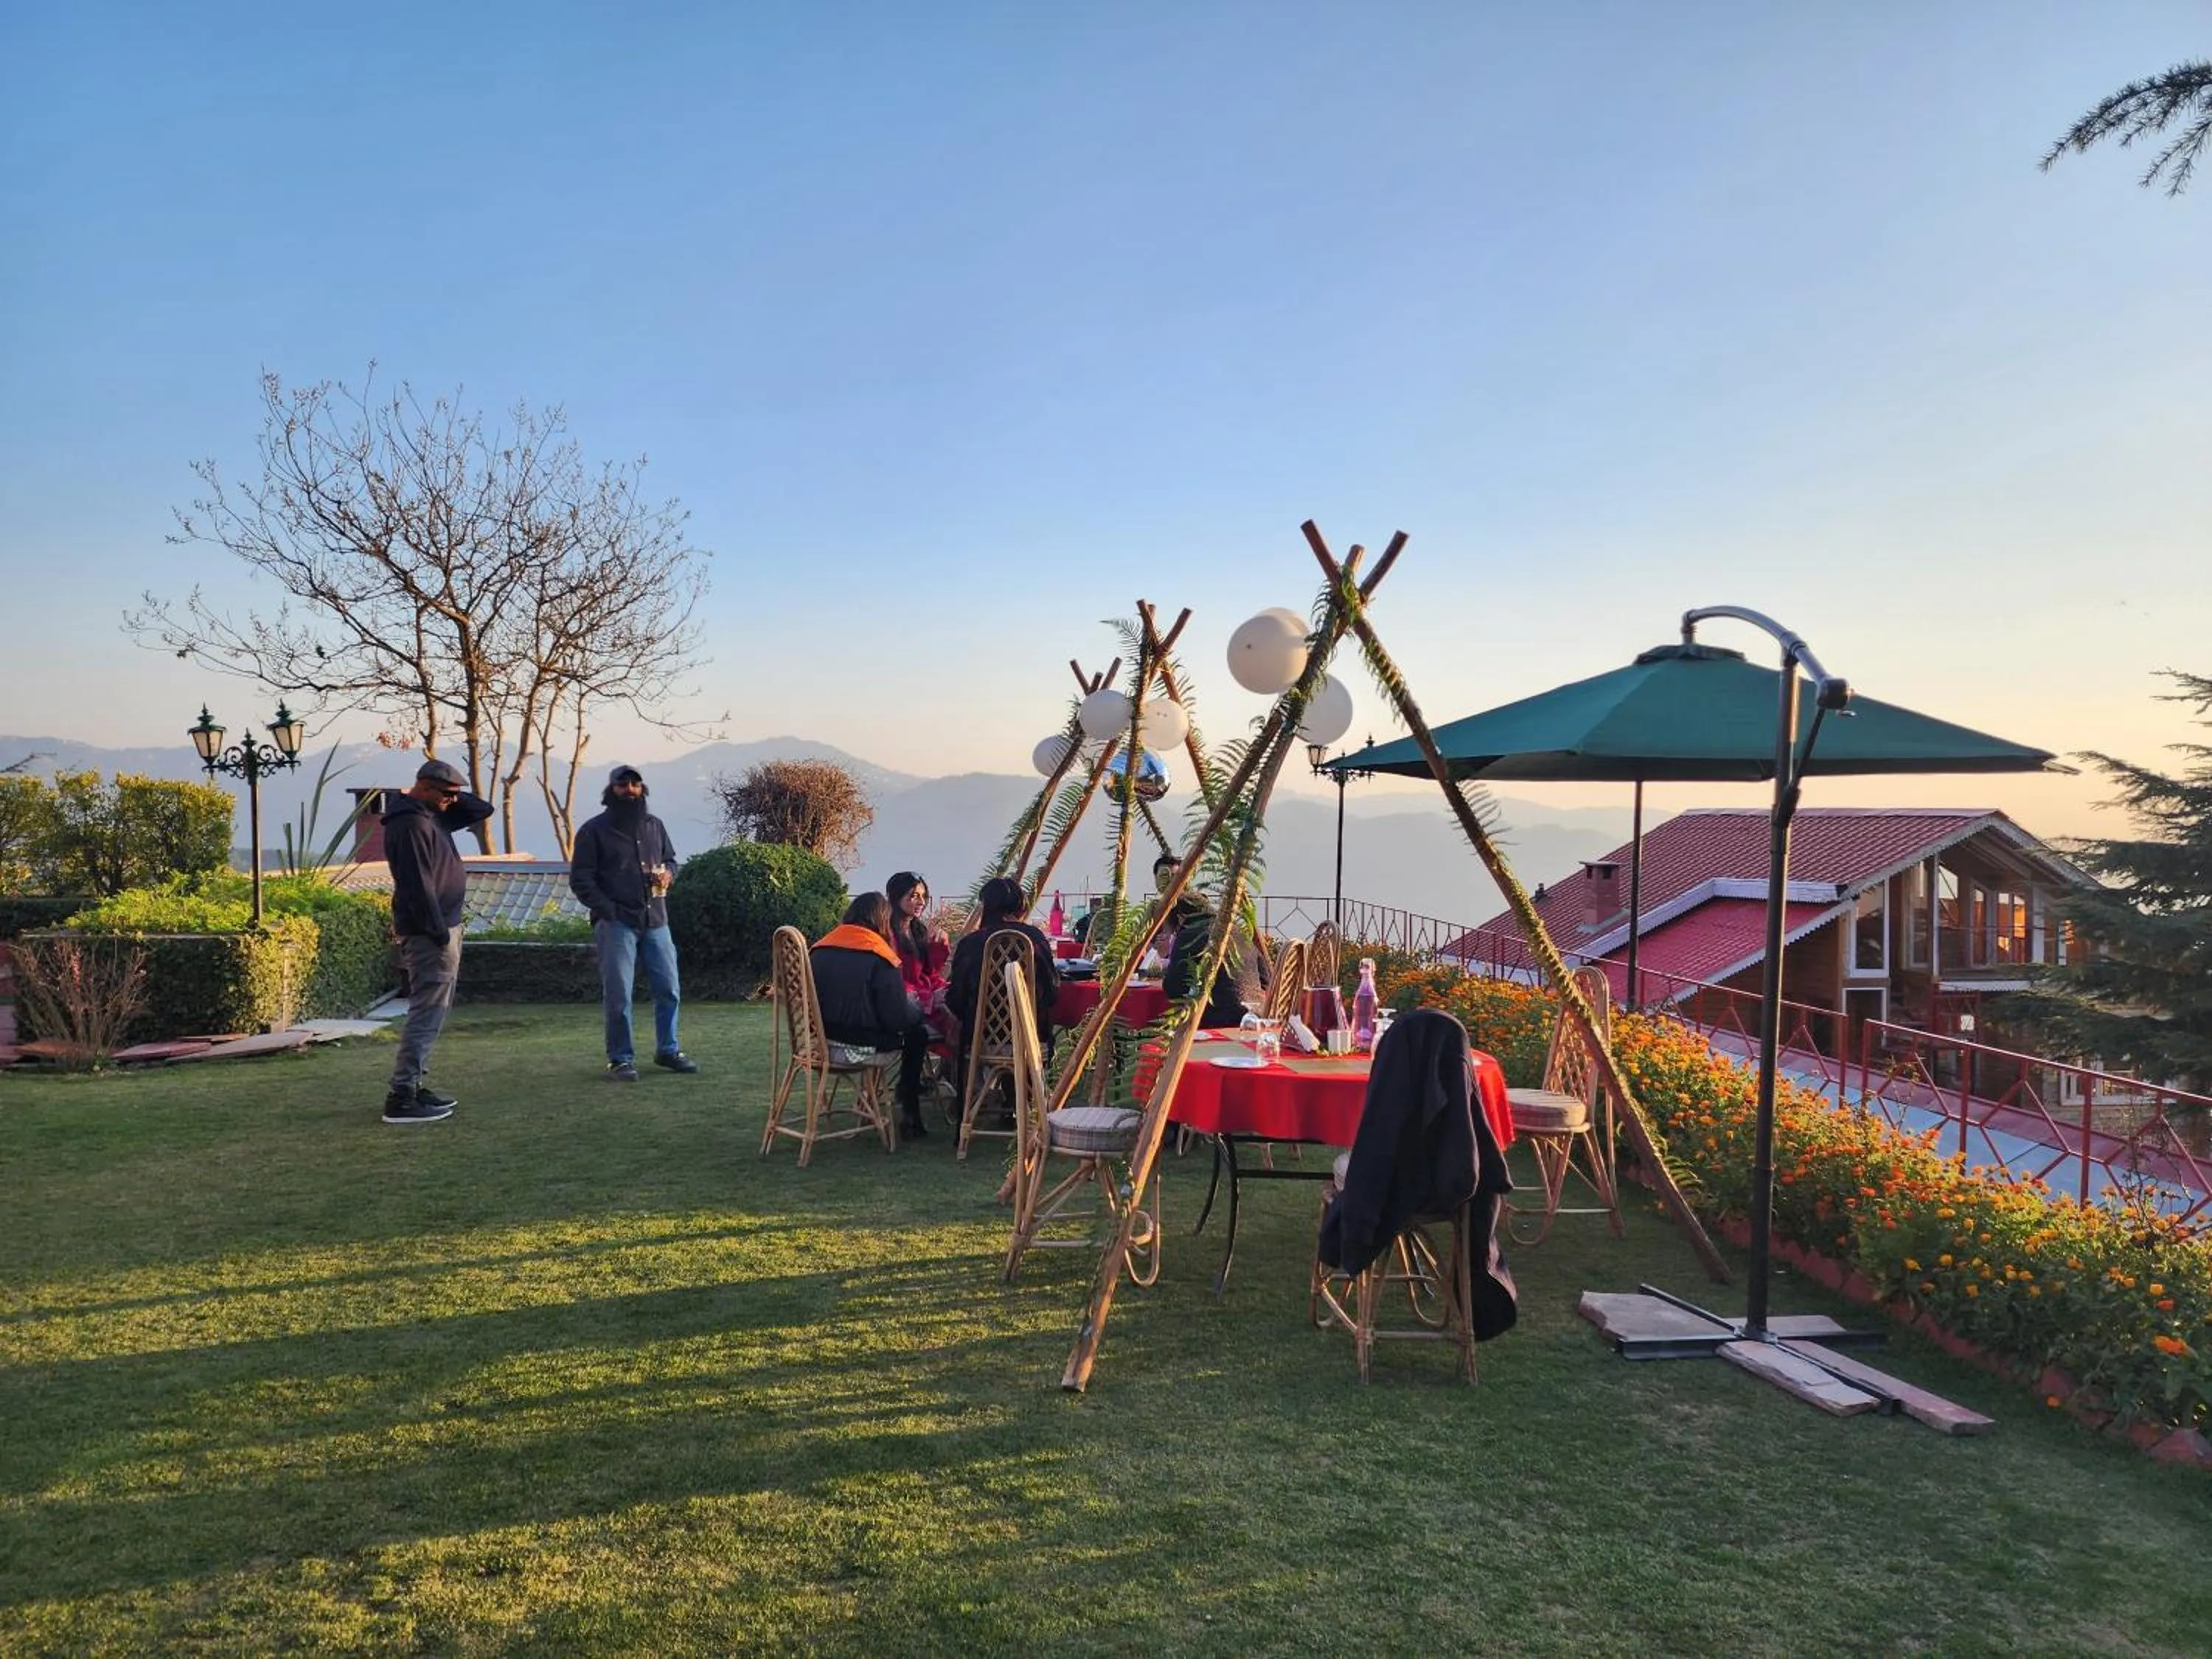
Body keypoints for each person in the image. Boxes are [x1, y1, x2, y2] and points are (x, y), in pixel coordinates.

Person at [380, 757, 493, 1125]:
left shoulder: (432, 814)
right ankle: (402, 1095)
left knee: (433, 1011)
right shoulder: (411, 823)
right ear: (424, 786)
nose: (451, 800)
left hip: (443, 926)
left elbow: (483, 809)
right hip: (431, 932)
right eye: (444, 793)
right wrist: (439, 932)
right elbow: (416, 884)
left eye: (452, 795)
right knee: (426, 1012)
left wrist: (451, 794)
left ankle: (413, 1084)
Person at [568, 764, 695, 1082]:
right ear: (611, 790)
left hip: (656, 919)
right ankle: (621, 1059)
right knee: (619, 994)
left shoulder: (655, 826)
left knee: (669, 989)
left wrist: (668, 872)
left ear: (643, 789)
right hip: (616, 924)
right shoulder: (592, 831)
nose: (630, 789)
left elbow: (671, 860)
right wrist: (608, 910)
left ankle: (668, 1050)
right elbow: (581, 880)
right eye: (623, 784)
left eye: (635, 784)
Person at [811, 892, 930, 1140]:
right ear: (882, 920)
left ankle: (904, 1105)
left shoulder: (819, 949)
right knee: (917, 1033)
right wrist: (917, 1010)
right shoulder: (879, 955)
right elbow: (897, 1017)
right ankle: (909, 1107)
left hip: (817, 1043)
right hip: (860, 1046)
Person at [946, 876, 1060, 1057]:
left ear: (985, 906)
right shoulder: (1035, 938)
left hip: (981, 1041)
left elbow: (956, 999)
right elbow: (1051, 993)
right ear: (1020, 905)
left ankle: (973, 1084)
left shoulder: (971, 943)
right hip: (1032, 1040)